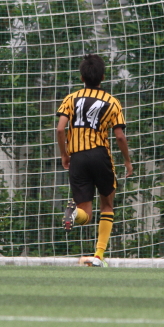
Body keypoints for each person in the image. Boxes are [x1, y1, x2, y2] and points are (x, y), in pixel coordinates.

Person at [56, 54, 133, 267]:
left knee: (86, 214)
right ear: (103, 77)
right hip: (100, 155)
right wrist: (127, 161)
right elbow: (119, 136)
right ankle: (99, 256)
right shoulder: (112, 102)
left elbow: (60, 129)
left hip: (78, 158)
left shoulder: (71, 99)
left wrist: (64, 154)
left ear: (82, 77)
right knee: (107, 205)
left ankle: (74, 213)